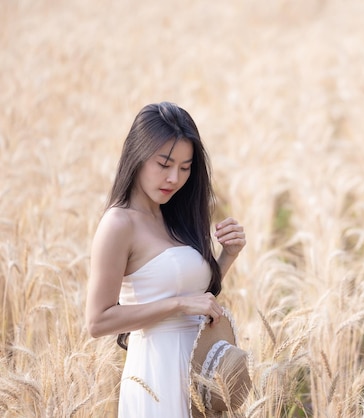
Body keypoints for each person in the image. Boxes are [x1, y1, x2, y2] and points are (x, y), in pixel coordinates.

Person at [85, 102, 246, 417]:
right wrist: (179, 304)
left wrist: (227, 256)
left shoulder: (174, 215)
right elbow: (97, 321)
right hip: (157, 374)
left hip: (201, 371)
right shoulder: (119, 224)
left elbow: (200, 298)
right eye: (164, 164)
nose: (174, 178)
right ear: (138, 155)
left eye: (185, 168)